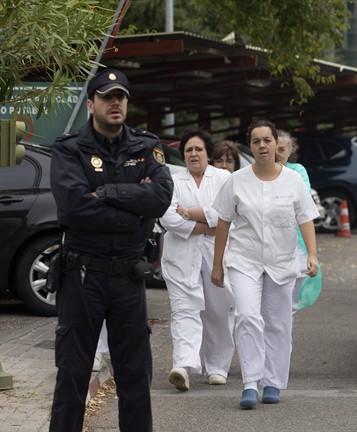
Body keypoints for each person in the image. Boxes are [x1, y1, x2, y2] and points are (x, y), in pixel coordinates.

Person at [49, 68, 173, 432]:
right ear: (91, 104)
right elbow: (74, 208)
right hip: (82, 277)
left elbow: (161, 199)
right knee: (72, 375)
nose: (115, 102)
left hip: (127, 278)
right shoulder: (69, 148)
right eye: (107, 96)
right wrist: (135, 210)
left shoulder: (146, 146)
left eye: (121, 96)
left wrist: (105, 194)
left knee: (135, 376)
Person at [211, 119, 320, 409]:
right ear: (251, 145)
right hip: (244, 260)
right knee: (247, 316)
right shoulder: (236, 180)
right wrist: (217, 264)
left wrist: (312, 254)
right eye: (256, 141)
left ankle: (272, 382)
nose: (262, 146)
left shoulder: (293, 181)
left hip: (282, 262)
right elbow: (223, 221)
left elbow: (305, 218)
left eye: (267, 140)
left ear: (276, 144)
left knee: (278, 323)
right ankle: (249, 383)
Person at [159, 129, 234, 391]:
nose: (193, 154)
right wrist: (207, 225)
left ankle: (218, 367)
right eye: (189, 150)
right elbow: (167, 217)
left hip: (216, 255)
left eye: (198, 149)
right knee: (184, 310)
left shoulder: (223, 178)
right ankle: (184, 365)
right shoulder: (173, 180)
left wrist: (189, 213)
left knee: (216, 312)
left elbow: (228, 212)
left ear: (207, 153)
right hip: (180, 256)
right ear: (183, 156)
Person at [276, 130, 320, 314]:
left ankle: (283, 337)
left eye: (281, 149)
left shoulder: (297, 171)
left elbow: (300, 201)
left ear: (290, 150)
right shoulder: (257, 173)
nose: (277, 153)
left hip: (297, 242)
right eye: (274, 148)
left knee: (290, 299)